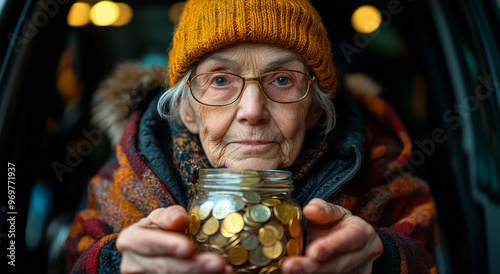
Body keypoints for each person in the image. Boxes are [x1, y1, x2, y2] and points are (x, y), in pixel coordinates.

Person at [65, 0, 438, 273]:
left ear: (314, 110)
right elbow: (74, 257)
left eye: (282, 79)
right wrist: (115, 263)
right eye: (221, 80)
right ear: (186, 112)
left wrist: (384, 257)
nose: (252, 110)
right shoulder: (129, 178)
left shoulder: (379, 168)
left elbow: (425, 257)